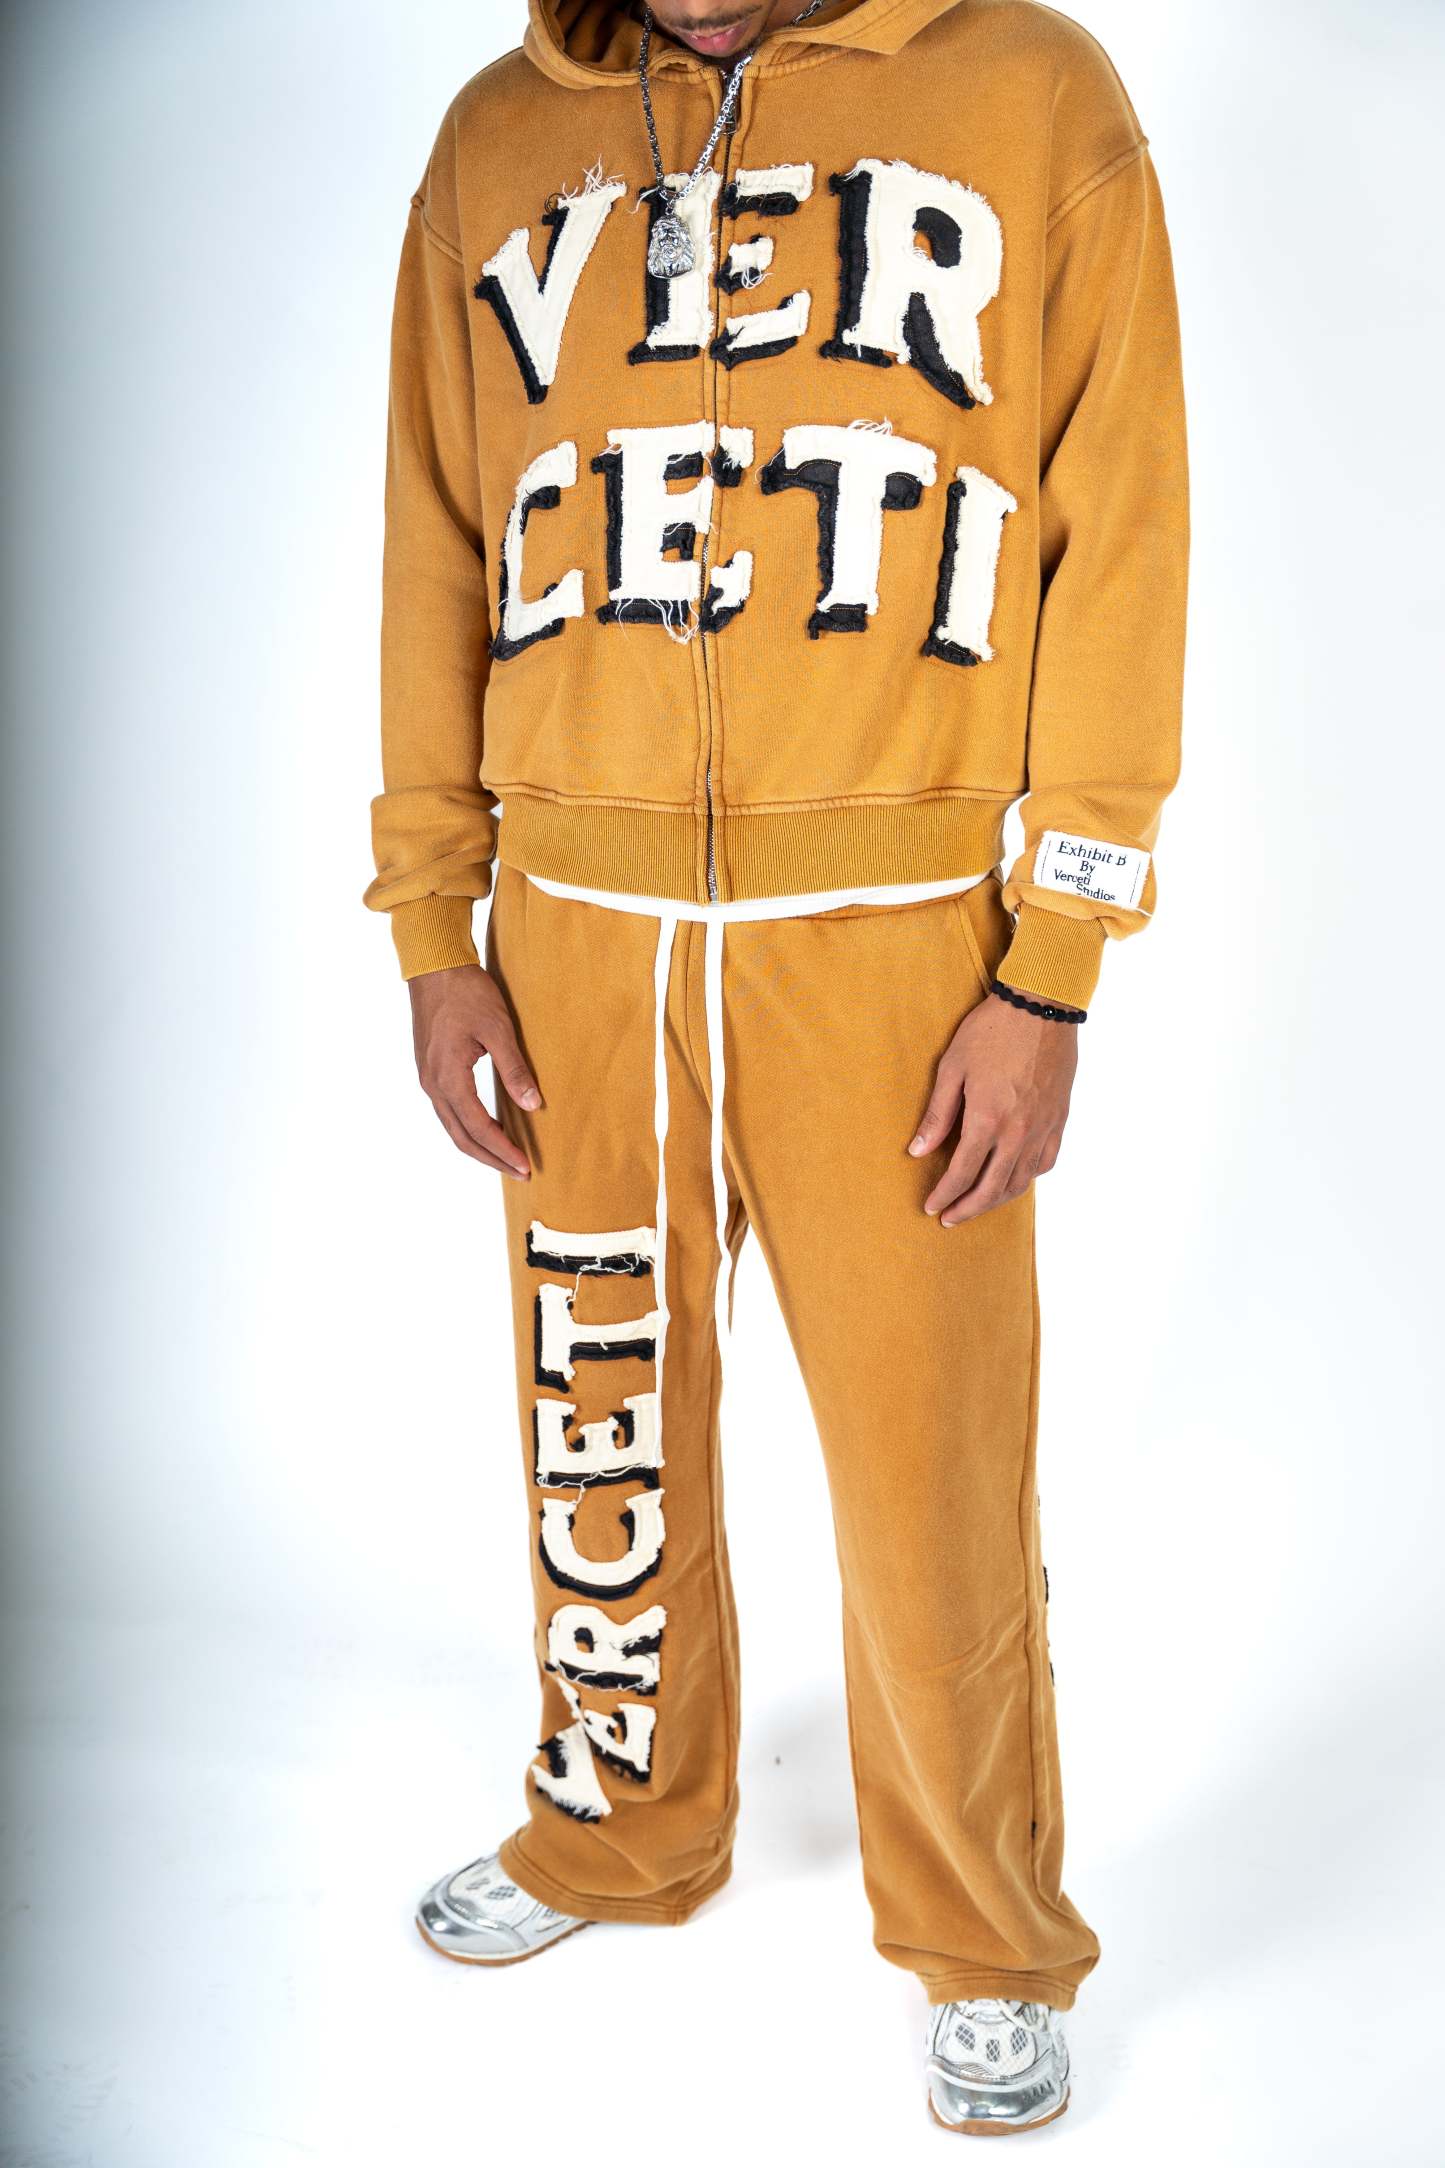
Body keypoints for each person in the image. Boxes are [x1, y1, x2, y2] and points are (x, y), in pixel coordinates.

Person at [365, 0, 1186, 2132]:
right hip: (576, 929)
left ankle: (985, 1931)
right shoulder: (493, 140)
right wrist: (437, 924)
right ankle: (623, 1831)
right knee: (601, 1423)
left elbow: (1119, 540)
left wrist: (1053, 967)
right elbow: (437, 537)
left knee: (932, 1475)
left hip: (900, 932)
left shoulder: (1029, 95)